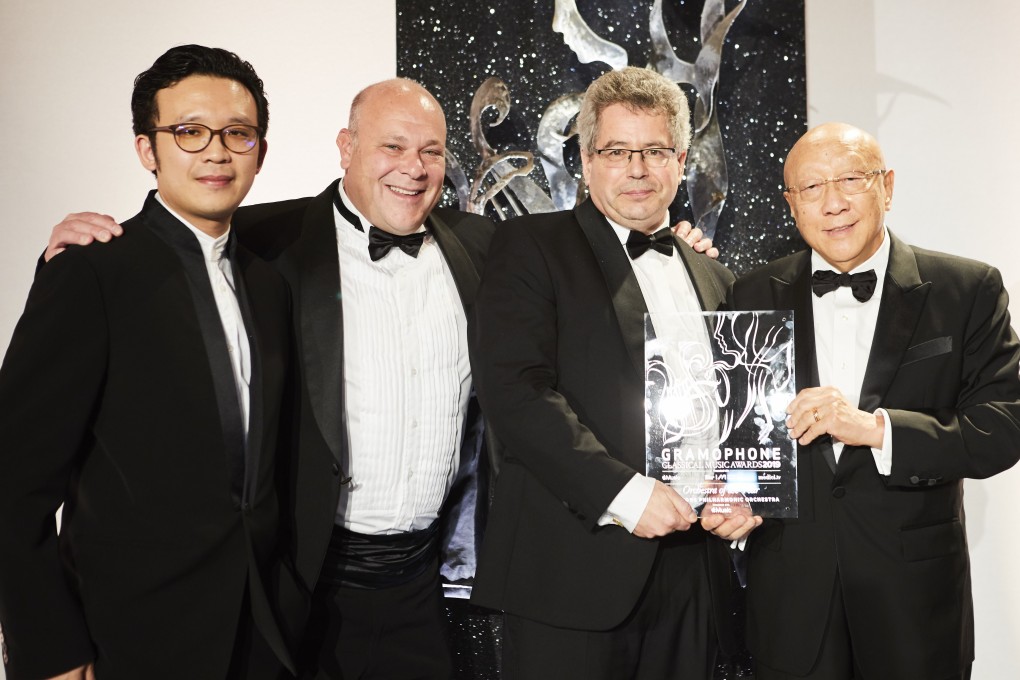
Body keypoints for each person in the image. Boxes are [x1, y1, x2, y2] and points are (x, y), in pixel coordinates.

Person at [42, 75, 720, 679]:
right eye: (392, 147)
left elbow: (586, 289)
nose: (413, 168)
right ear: (345, 147)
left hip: (419, 588)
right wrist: (91, 245)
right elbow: (180, 246)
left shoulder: (486, 247)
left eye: (430, 151)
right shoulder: (264, 241)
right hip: (297, 581)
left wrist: (680, 253)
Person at [0, 45, 295, 679]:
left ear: (261, 152)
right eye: (189, 132)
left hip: (260, 635)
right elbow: (11, 485)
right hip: (131, 639)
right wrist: (49, 648)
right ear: (146, 149)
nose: (216, 152)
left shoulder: (269, 283)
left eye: (238, 134)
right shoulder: (89, 271)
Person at [469, 66, 760, 679]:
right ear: (586, 160)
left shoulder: (717, 277)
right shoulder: (530, 248)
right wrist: (625, 495)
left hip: (697, 577)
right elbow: (516, 394)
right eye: (617, 151)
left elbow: (736, 410)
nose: (637, 169)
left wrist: (744, 494)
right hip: (574, 572)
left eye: (654, 151)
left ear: (681, 161)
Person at [729, 122, 1020, 680]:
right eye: (811, 189)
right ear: (791, 205)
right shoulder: (751, 293)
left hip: (914, 607)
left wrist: (878, 429)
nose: (832, 203)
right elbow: (737, 432)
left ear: (887, 186)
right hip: (790, 605)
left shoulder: (967, 289)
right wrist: (733, 499)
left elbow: (1001, 430)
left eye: (850, 180)